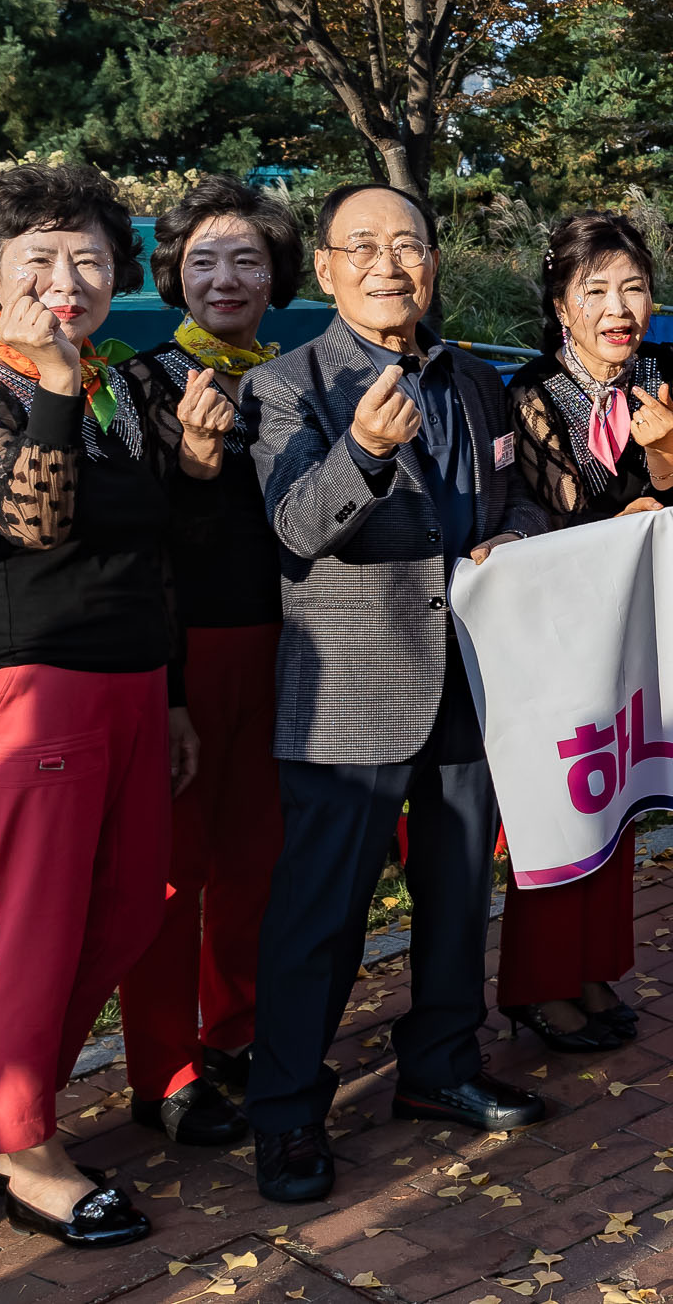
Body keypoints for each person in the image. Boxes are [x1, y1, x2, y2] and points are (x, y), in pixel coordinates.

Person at [242, 183, 549, 1204]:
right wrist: (364, 451)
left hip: (469, 675)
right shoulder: (289, 386)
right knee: (319, 916)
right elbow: (294, 525)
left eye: (407, 243)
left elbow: (519, 499)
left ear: (433, 262)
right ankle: (285, 1111)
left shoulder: (474, 380)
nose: (387, 263)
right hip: (349, 691)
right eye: (361, 246)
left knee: (459, 893)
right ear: (325, 269)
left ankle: (441, 1065)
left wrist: (521, 541)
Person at [0, 165, 202, 1249]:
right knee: (30, 925)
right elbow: (33, 519)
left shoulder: (118, 387)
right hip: (30, 682)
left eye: (86, 258)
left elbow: (153, 553)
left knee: (133, 901)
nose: (62, 281)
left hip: (133, 677)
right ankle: (22, 1142)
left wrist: (173, 692)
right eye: (34, 260)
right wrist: (46, 380)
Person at [112, 177, 303, 1148]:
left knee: (255, 860)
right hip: (183, 655)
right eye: (202, 260)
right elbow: (150, 547)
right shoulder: (138, 383)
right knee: (170, 868)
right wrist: (191, 460)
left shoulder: (296, 380)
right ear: (171, 275)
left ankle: (238, 1030)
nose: (225, 278)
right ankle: (164, 1064)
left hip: (286, 649)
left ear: (276, 273)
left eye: (246, 258)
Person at [499, 213, 673, 1058]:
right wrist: (636, 508)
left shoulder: (667, 371)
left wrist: (668, 459)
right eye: (596, 292)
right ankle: (538, 984)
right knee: (561, 801)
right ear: (560, 305)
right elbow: (556, 515)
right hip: (561, 625)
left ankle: (592, 967)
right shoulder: (534, 393)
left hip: (646, 620)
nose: (620, 308)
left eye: (634, 288)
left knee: (616, 795)